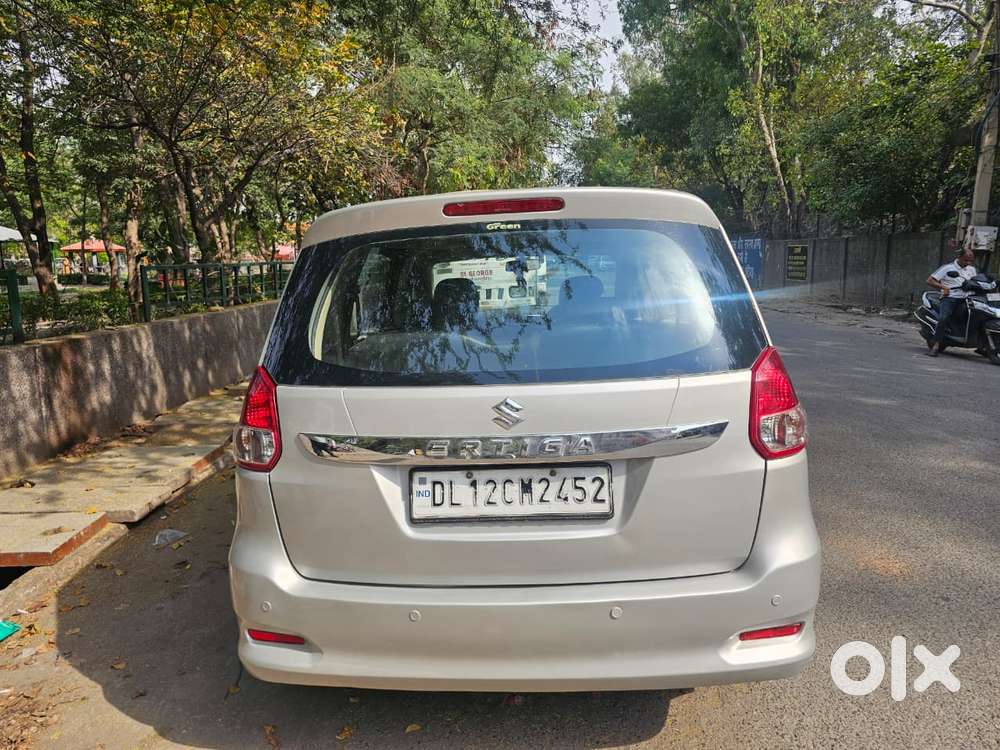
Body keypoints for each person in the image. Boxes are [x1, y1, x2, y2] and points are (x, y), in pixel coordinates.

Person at [926, 248, 978, 356]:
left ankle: (983, 345)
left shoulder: (972, 269)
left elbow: (977, 282)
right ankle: (936, 344)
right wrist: (943, 287)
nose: (968, 263)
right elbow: (930, 280)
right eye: (966, 260)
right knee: (943, 318)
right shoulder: (947, 268)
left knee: (981, 315)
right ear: (959, 257)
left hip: (968, 298)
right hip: (950, 298)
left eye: (970, 261)